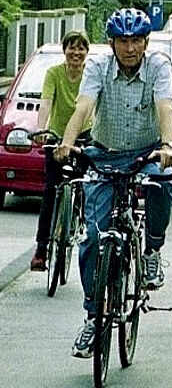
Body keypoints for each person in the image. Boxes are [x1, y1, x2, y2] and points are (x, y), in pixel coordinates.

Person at [55, 8, 172, 358]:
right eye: (123, 41)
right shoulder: (97, 67)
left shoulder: (157, 66)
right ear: (111, 43)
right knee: (93, 237)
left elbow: (164, 107)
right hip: (105, 153)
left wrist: (168, 146)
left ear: (146, 42)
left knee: (161, 186)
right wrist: (67, 142)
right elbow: (83, 107)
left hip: (147, 151)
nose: (130, 48)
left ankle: (153, 249)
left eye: (136, 40)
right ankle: (93, 315)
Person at [30, 31, 93, 271]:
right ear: (64, 50)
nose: (76, 53)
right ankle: (41, 248)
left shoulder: (90, 74)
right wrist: (41, 130)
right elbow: (46, 103)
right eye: (71, 48)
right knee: (50, 190)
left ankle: (87, 235)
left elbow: (92, 104)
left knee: (89, 186)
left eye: (81, 48)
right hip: (57, 136)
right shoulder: (54, 73)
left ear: (86, 52)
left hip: (85, 136)